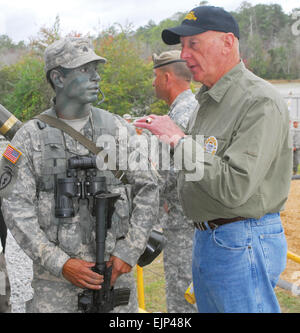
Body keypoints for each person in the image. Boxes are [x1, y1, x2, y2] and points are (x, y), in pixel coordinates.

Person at [135, 6, 292, 313]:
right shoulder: (206, 102)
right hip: (212, 238)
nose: (185, 54)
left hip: (241, 238)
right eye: (182, 46)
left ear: (228, 42)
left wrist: (178, 140)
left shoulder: (258, 100)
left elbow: (235, 185)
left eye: (194, 44)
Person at [2, 37, 159, 313]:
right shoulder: (29, 138)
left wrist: (128, 251)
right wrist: (59, 263)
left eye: (96, 69)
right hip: (55, 288)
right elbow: (16, 210)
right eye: (84, 71)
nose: (96, 77)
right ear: (58, 78)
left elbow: (148, 188)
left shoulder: (117, 129)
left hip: (114, 279)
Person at [151, 50, 197, 313]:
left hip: (184, 226)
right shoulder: (195, 107)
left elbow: (167, 176)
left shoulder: (178, 117)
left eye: (156, 77)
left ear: (167, 77)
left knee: (184, 300)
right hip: (196, 223)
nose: (153, 83)